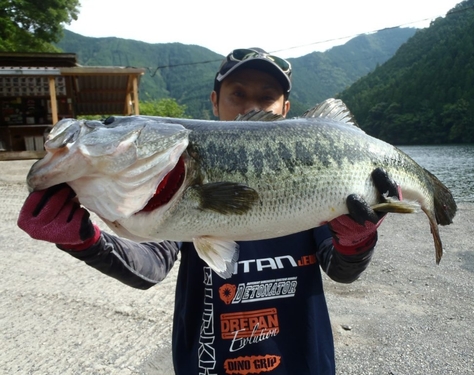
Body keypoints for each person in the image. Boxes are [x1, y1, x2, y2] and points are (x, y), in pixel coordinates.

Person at [17, 48, 401, 375]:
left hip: (303, 361)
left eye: (266, 97)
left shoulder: (314, 176)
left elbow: (340, 270)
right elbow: (148, 267)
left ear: (286, 109)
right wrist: (86, 241)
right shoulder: (172, 185)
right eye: (237, 94)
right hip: (209, 363)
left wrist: (358, 241)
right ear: (214, 102)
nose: (251, 105)